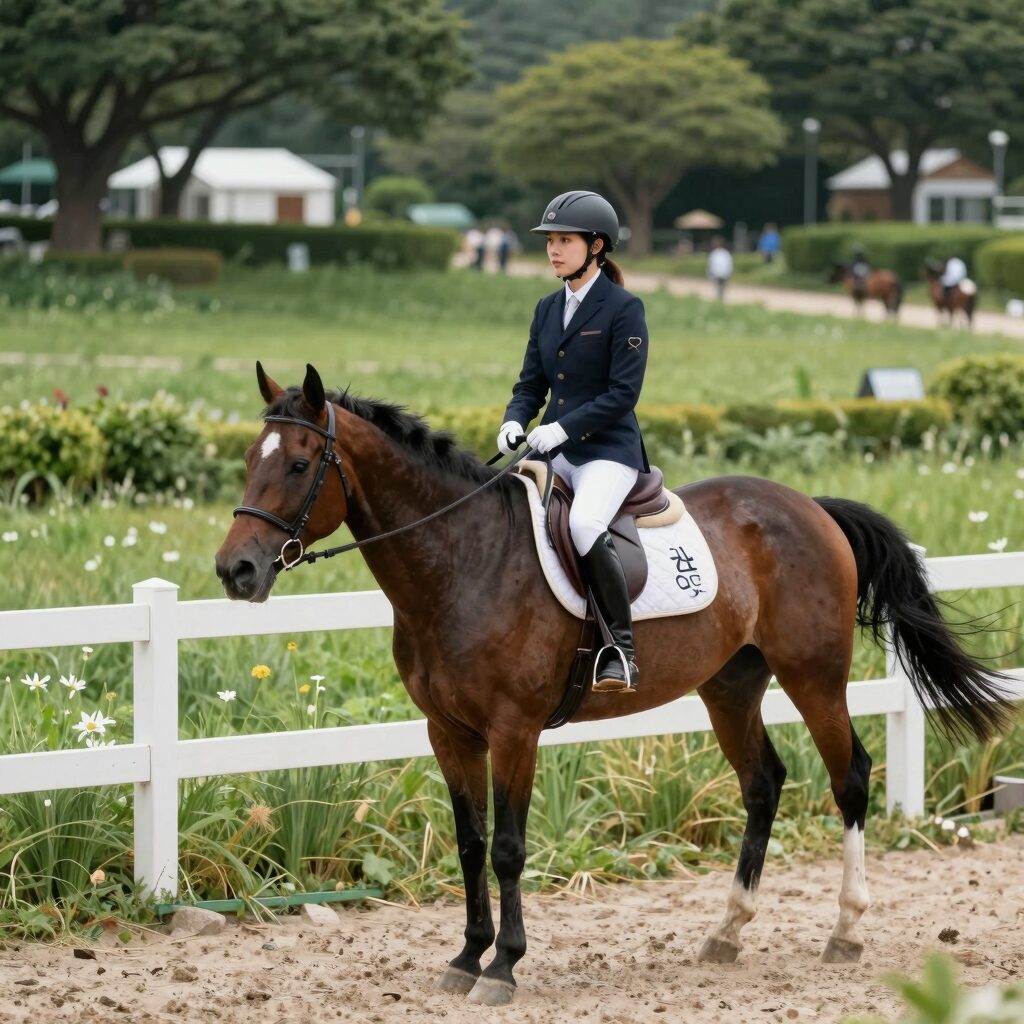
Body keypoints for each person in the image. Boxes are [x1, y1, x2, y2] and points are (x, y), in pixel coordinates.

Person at [496, 190, 649, 695]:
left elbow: (623, 394)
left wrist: (562, 429)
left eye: (565, 240)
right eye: (550, 241)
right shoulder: (546, 309)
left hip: (607, 452)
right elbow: (530, 385)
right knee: (500, 509)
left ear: (597, 246)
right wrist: (514, 420)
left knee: (584, 523)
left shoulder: (624, 308)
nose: (554, 250)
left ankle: (620, 650)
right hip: (551, 450)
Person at [707, 236, 733, 301]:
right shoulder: (725, 253)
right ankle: (720, 297)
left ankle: (719, 297)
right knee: (721, 286)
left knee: (719, 286)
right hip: (723, 272)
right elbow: (729, 264)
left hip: (717, 272)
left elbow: (711, 265)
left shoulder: (714, 253)